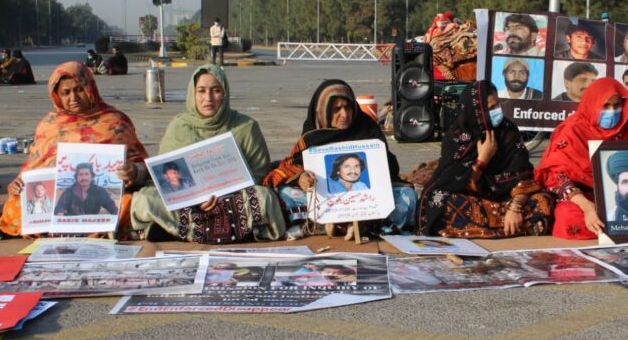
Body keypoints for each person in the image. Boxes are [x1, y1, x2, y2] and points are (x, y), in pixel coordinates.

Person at [126, 65, 285, 242]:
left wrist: (222, 194)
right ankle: (233, 232)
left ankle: (174, 231)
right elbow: (164, 180)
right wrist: (194, 200)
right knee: (144, 200)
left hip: (230, 202)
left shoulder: (246, 127)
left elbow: (260, 175)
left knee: (265, 199)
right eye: (201, 91)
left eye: (215, 91)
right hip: (187, 204)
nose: (208, 98)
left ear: (224, 94)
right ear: (192, 94)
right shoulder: (179, 127)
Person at [0, 61, 148, 237]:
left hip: (101, 197)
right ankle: (84, 230)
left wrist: (135, 171)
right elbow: (33, 167)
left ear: (90, 88)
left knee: (132, 203)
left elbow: (141, 164)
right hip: (56, 197)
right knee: (16, 207)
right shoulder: (48, 125)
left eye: (79, 89)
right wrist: (18, 184)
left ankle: (62, 230)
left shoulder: (116, 121)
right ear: (56, 96)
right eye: (65, 93)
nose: (73, 98)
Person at [263, 79, 416, 237]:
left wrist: (378, 163)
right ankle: (354, 226)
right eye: (336, 109)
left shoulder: (367, 128)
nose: (344, 114)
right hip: (327, 200)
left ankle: (337, 225)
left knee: (407, 195)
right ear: (323, 111)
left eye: (348, 107)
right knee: (285, 193)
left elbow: (391, 170)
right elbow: (291, 166)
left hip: (365, 200)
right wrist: (301, 178)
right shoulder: (313, 136)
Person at [417, 81, 553, 238]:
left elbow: (523, 176)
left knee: (543, 200)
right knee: (438, 200)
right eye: (491, 108)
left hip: (506, 199)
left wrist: (515, 207)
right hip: (472, 200)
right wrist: (482, 160)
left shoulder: (508, 131)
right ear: (476, 111)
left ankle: (497, 226)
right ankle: (519, 226)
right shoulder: (455, 137)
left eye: (498, 105)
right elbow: (454, 184)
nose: (497, 111)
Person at [535, 78, 628, 239]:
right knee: (568, 216)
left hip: (625, 194)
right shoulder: (573, 130)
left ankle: (623, 225)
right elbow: (557, 176)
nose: (612, 111)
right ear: (592, 103)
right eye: (606, 106)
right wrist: (587, 207)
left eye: (617, 106)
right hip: (583, 197)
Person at [54, 162, 118, 216]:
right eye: (80, 174)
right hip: (73, 226)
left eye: (86, 174)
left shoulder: (99, 191)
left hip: (92, 226)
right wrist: (60, 212)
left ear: (92, 176)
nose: (84, 178)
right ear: (76, 177)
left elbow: (112, 208)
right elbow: (59, 207)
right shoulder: (69, 192)